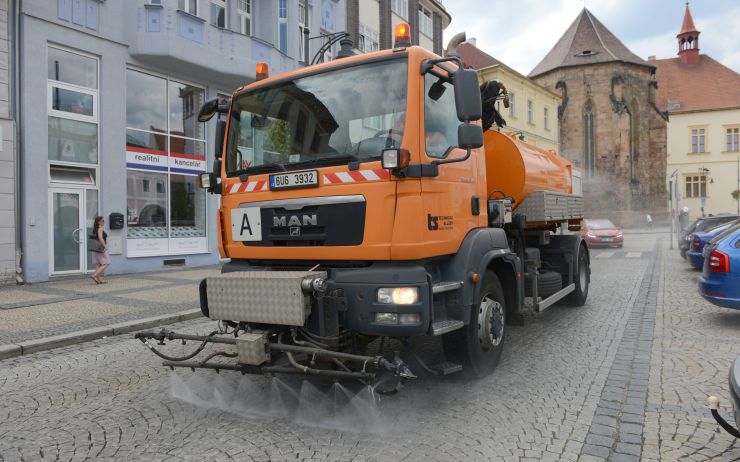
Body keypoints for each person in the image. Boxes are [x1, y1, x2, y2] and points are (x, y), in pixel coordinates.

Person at [91, 216, 110, 284]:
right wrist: (105, 246)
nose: (103, 222)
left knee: (98, 263)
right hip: (100, 247)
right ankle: (94, 275)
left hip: (95, 247)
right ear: (99, 221)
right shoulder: (100, 228)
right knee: (106, 263)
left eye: (103, 220)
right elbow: (100, 238)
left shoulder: (95, 228)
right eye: (102, 220)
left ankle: (98, 280)